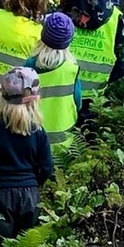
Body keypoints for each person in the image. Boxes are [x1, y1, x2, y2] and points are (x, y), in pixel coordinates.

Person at [0, 67, 54, 239]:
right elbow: (47, 166)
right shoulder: (38, 131)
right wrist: (34, 182)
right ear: (34, 101)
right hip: (30, 195)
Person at [60, 0, 124, 108]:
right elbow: (120, 56)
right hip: (97, 97)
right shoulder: (116, 17)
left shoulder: (61, 14)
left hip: (63, 92)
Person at [25, 12, 80, 154]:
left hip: (31, 141)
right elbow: (77, 102)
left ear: (42, 35)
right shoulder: (72, 69)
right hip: (65, 145)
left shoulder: (29, 66)